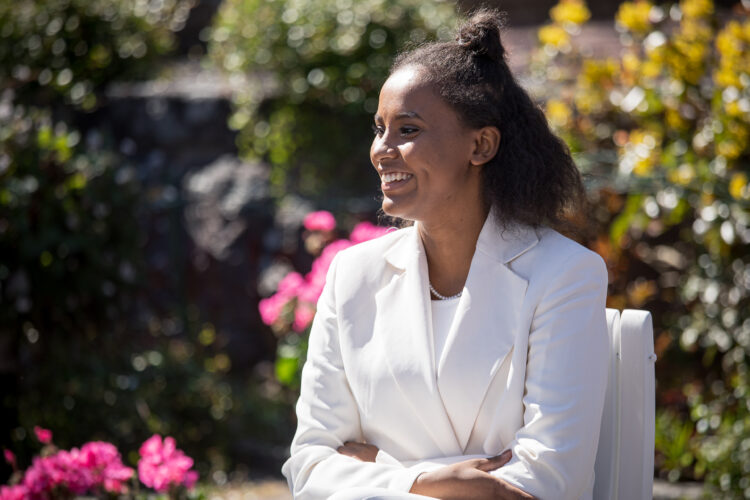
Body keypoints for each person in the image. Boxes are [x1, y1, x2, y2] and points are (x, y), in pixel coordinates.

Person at [281, 9, 609, 500]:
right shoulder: (353, 275)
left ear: (480, 144)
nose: (381, 150)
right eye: (379, 128)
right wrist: (434, 479)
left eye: (407, 130)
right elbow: (309, 466)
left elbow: (547, 483)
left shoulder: (565, 275)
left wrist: (378, 467)